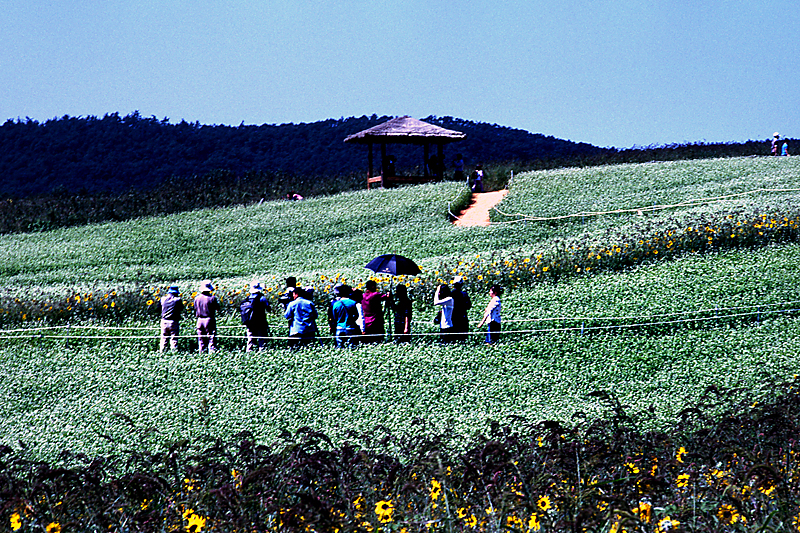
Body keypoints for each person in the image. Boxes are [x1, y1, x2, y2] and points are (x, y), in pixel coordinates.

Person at [240, 281, 272, 352]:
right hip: (260, 322)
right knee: (262, 339)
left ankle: (249, 353)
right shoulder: (261, 298)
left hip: (250, 323)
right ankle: (262, 353)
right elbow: (268, 308)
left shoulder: (248, 299)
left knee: (250, 339)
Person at [194, 280, 221, 353]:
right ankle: (212, 354)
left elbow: (195, 308)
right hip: (209, 319)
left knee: (201, 339)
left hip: (199, 320)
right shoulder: (212, 298)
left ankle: (201, 353)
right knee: (211, 338)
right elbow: (218, 308)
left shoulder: (197, 298)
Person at [156, 285, 183, 352]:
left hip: (164, 321)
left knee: (164, 338)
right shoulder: (178, 300)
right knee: (174, 339)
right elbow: (181, 308)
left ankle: (162, 352)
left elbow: (158, 308)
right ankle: (174, 353)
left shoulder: (162, 299)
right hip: (173, 321)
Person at [450, 276, 472, 342]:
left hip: (452, 317)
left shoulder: (451, 294)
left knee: (453, 337)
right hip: (462, 317)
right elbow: (468, 306)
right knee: (463, 337)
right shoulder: (464, 295)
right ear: (461, 285)